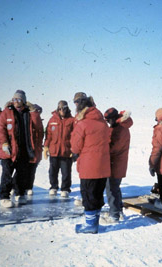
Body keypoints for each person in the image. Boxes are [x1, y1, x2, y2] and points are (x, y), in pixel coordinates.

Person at [71, 92, 110, 234]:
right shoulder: (103, 123)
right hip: (103, 165)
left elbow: (75, 146)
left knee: (88, 195)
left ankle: (90, 226)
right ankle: (95, 223)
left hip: (88, 166)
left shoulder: (82, 124)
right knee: (98, 194)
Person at [0, 90, 43, 208]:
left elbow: (38, 126)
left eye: (19, 99)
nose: (16, 102)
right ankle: (4, 196)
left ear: (23, 101)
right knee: (7, 173)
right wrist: (4, 142)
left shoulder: (28, 113)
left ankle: (19, 193)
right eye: (14, 99)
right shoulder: (7, 111)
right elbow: (0, 127)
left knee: (21, 174)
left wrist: (33, 111)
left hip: (23, 149)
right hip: (9, 149)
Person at [100, 108, 133, 224]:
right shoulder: (122, 126)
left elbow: (113, 149)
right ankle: (118, 212)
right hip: (119, 163)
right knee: (115, 188)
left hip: (115, 164)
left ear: (114, 118)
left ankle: (114, 215)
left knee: (111, 189)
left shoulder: (119, 129)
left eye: (109, 120)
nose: (108, 123)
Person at [43, 100, 74, 197]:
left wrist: (73, 149)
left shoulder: (71, 120)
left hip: (66, 151)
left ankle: (65, 188)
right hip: (54, 151)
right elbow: (48, 135)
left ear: (67, 108)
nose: (62, 110)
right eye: (60, 108)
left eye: (64, 108)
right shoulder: (52, 120)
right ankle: (53, 187)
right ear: (57, 109)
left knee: (66, 172)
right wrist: (46, 147)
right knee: (53, 171)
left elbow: (75, 136)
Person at [24, 103, 44, 196]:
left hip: (36, 150)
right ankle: (16, 186)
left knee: (32, 170)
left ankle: (29, 187)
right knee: (24, 169)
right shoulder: (28, 121)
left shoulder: (38, 122)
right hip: (28, 149)